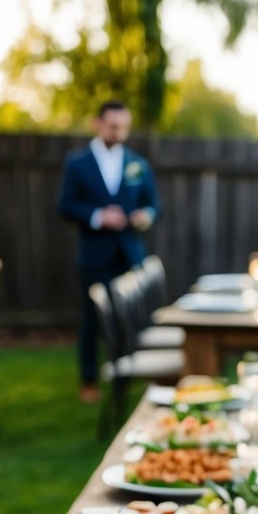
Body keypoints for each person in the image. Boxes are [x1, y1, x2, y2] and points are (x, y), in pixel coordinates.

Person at [58, 100, 159, 402]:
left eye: (124, 127)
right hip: (95, 254)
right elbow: (65, 206)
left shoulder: (137, 164)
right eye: (114, 126)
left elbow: (154, 203)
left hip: (129, 252)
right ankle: (88, 380)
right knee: (92, 319)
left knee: (130, 319)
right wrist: (99, 216)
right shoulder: (77, 163)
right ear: (98, 123)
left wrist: (146, 215)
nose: (120, 133)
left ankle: (125, 374)